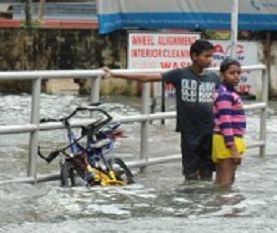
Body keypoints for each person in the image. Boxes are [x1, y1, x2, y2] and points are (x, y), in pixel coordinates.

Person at [103, 39, 218, 181]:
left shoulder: (213, 77)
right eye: (206, 56)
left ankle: (205, 200)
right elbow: (146, 78)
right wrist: (114, 74)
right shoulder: (180, 74)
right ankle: (191, 199)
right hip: (189, 131)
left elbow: (222, 101)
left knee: (208, 171)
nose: (209, 60)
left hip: (210, 131)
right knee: (190, 172)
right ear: (194, 56)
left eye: (211, 56)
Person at [212, 58, 247, 189]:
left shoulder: (226, 92)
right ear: (222, 75)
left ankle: (220, 207)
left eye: (239, 72)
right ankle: (226, 208)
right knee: (226, 182)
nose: (236, 76)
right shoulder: (225, 95)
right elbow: (225, 121)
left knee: (221, 181)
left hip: (223, 139)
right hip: (227, 141)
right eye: (232, 73)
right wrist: (233, 148)